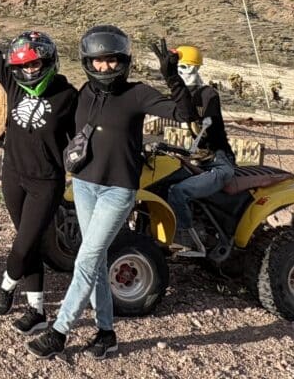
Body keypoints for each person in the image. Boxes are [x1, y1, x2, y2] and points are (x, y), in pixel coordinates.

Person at [27, 26, 195, 361]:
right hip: (86, 186)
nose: (105, 67)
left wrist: (173, 79)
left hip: (118, 191)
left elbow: (184, 114)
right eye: (98, 61)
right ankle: (106, 333)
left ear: (124, 61)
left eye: (112, 60)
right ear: (88, 61)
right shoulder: (83, 94)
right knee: (97, 260)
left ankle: (59, 332)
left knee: (87, 260)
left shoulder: (137, 94)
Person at [0, 0, 77, 333]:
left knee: (23, 243)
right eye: (25, 65)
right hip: (14, 174)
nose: (31, 71)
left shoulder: (66, 94)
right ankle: (37, 311)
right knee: (27, 240)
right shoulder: (14, 84)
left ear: (48, 62)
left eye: (37, 64)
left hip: (46, 181)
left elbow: (86, 130)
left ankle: (6, 285)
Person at [165, 45, 236, 257]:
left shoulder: (208, 95)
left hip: (218, 161)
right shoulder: (180, 96)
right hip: (194, 160)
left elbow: (195, 120)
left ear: (195, 69)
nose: (180, 73)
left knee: (179, 192)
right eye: (176, 69)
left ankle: (187, 241)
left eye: (183, 68)